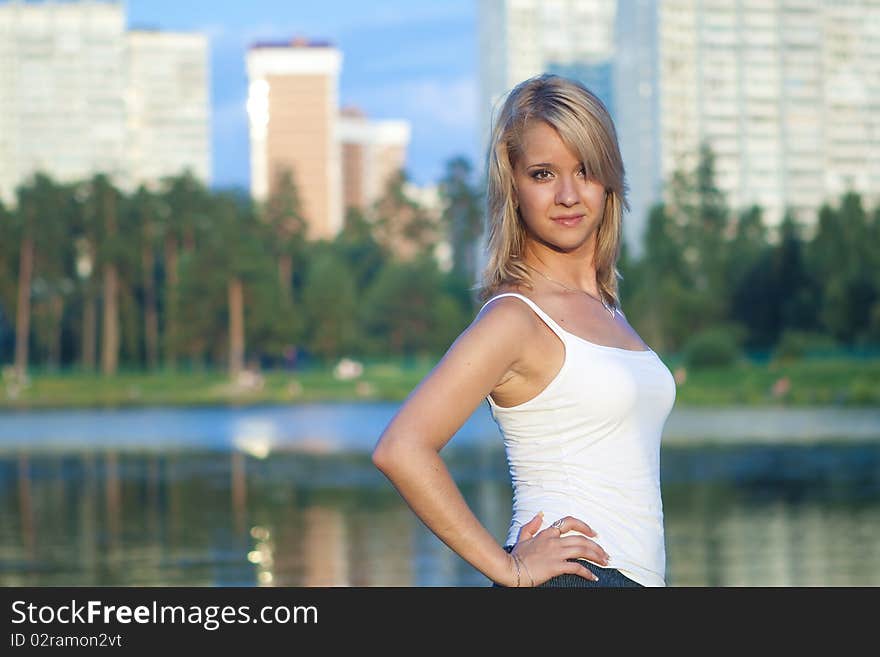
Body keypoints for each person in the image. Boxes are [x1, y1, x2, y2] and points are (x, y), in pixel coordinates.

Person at [371, 73, 677, 587]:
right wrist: (507, 569)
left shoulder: (605, 308)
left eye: (584, 170)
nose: (567, 194)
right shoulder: (515, 317)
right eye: (542, 174)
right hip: (572, 581)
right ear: (512, 186)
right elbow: (401, 448)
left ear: (609, 180)